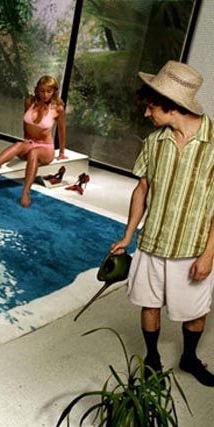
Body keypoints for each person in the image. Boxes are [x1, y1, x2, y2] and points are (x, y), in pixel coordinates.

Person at [110, 60, 214, 387]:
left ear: (171, 106)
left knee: (195, 312)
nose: (146, 114)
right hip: (152, 242)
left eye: (150, 107)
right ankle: (152, 358)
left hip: (192, 248)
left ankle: (189, 357)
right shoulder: (154, 142)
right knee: (149, 303)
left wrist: (208, 255)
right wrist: (128, 235)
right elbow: (142, 189)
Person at [0, 75, 67, 208]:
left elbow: (61, 131)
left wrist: (61, 152)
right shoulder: (29, 101)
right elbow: (26, 122)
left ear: (54, 92)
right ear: (37, 90)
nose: (45, 95)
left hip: (45, 148)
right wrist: (26, 139)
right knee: (18, 145)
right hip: (31, 143)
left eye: (49, 91)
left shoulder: (57, 108)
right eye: (42, 91)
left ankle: (26, 192)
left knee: (34, 153)